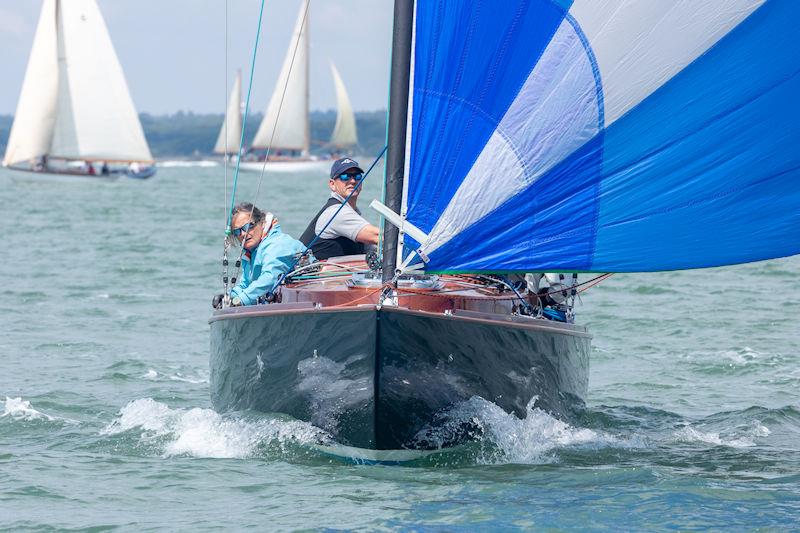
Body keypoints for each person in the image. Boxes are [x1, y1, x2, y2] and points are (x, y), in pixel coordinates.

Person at [216, 202, 305, 307]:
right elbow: (246, 284)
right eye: (237, 232)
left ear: (262, 222)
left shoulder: (278, 245)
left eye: (249, 226)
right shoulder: (252, 252)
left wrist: (241, 301)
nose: (243, 234)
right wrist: (229, 297)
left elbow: (270, 278)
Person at [299, 158, 380, 260]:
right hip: (313, 274)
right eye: (345, 176)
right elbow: (376, 236)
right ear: (332, 184)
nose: (353, 181)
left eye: (357, 176)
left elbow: (371, 245)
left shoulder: (351, 212)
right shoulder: (336, 212)